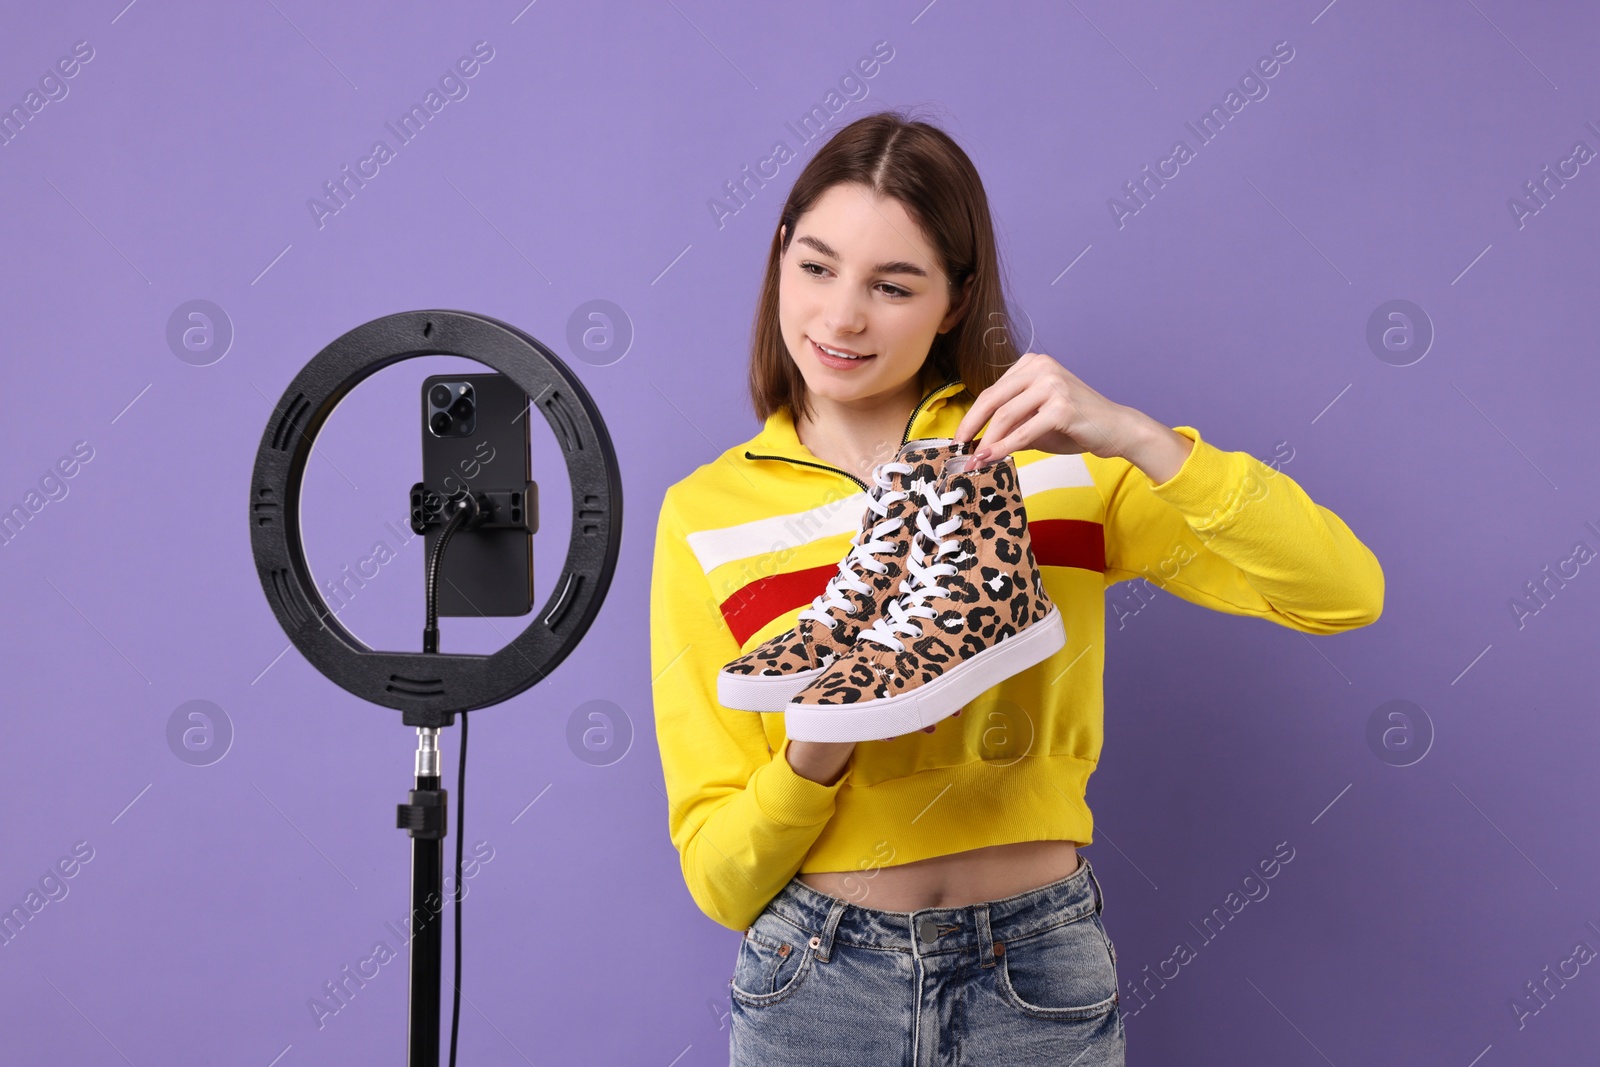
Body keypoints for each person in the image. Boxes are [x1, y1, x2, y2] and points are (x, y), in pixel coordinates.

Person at [648, 109, 1384, 1066]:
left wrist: (1138, 438)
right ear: (779, 254)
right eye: (817, 267)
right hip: (815, 979)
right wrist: (816, 753)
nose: (839, 318)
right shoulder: (706, 511)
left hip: (1033, 970)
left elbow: (1340, 591)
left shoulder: (1048, 460)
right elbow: (719, 876)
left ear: (955, 302)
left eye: (892, 285)